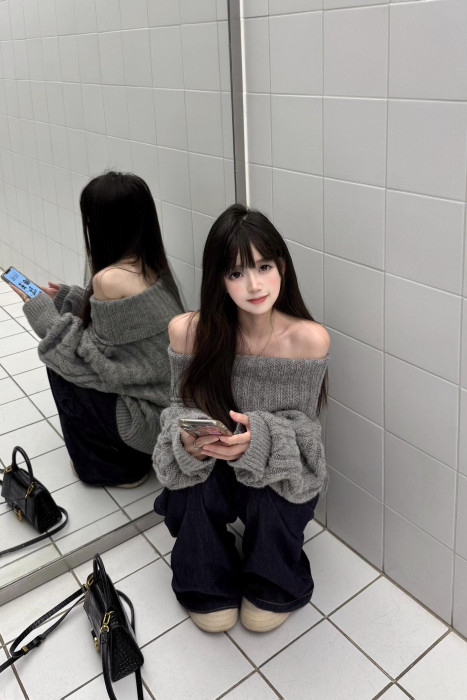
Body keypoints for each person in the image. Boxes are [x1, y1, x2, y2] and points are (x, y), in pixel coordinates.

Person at [152, 204, 330, 634]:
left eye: (264, 266)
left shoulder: (308, 340)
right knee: (191, 484)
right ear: (218, 279)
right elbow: (177, 410)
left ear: (281, 267)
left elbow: (306, 438)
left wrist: (259, 442)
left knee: (274, 490)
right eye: (236, 272)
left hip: (273, 469)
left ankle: (273, 582)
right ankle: (205, 581)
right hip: (212, 464)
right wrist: (190, 441)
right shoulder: (188, 332)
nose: (254, 285)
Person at [9, 171, 184, 487]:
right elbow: (119, 331)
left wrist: (42, 314)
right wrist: (68, 298)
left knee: (60, 363)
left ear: (100, 225)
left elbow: (84, 358)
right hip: (167, 409)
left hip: (147, 422)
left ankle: (112, 468)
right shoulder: (152, 265)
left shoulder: (109, 278)